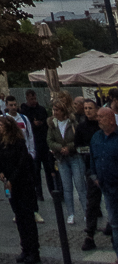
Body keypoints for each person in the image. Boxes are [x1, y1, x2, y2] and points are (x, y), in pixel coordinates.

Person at [0, 111, 40, 264]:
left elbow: (22, 164)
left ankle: (34, 251)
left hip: (22, 184)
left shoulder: (18, 143)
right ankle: (24, 248)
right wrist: (0, 173)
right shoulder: (0, 143)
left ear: (8, 128)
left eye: (1, 125)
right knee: (18, 217)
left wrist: (12, 179)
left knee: (27, 217)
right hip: (8, 186)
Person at [48, 95, 87, 225]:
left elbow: (78, 138)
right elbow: (49, 140)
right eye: (54, 110)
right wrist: (59, 148)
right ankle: (70, 213)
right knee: (67, 187)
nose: (55, 112)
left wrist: (69, 147)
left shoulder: (73, 123)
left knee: (80, 186)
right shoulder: (52, 124)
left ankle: (87, 212)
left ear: (63, 111)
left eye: (57, 110)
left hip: (74, 157)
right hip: (62, 158)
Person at [90, 105, 118, 263]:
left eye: (101, 117)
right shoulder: (96, 137)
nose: (98, 119)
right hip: (106, 186)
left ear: (111, 119)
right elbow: (93, 158)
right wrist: (94, 175)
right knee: (114, 222)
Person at [77, 97, 104, 251]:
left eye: (90, 108)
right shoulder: (81, 128)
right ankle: (90, 235)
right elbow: (78, 147)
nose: (87, 111)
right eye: (85, 108)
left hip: (106, 168)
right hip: (91, 169)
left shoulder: (102, 126)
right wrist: (89, 150)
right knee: (92, 203)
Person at [21, 90, 53, 202]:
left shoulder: (41, 109)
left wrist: (42, 123)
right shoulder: (24, 111)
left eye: (35, 98)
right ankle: (38, 193)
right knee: (36, 170)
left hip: (44, 143)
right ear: (27, 98)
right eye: (31, 99)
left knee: (49, 169)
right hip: (34, 144)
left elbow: (46, 123)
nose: (34, 101)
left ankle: (52, 191)